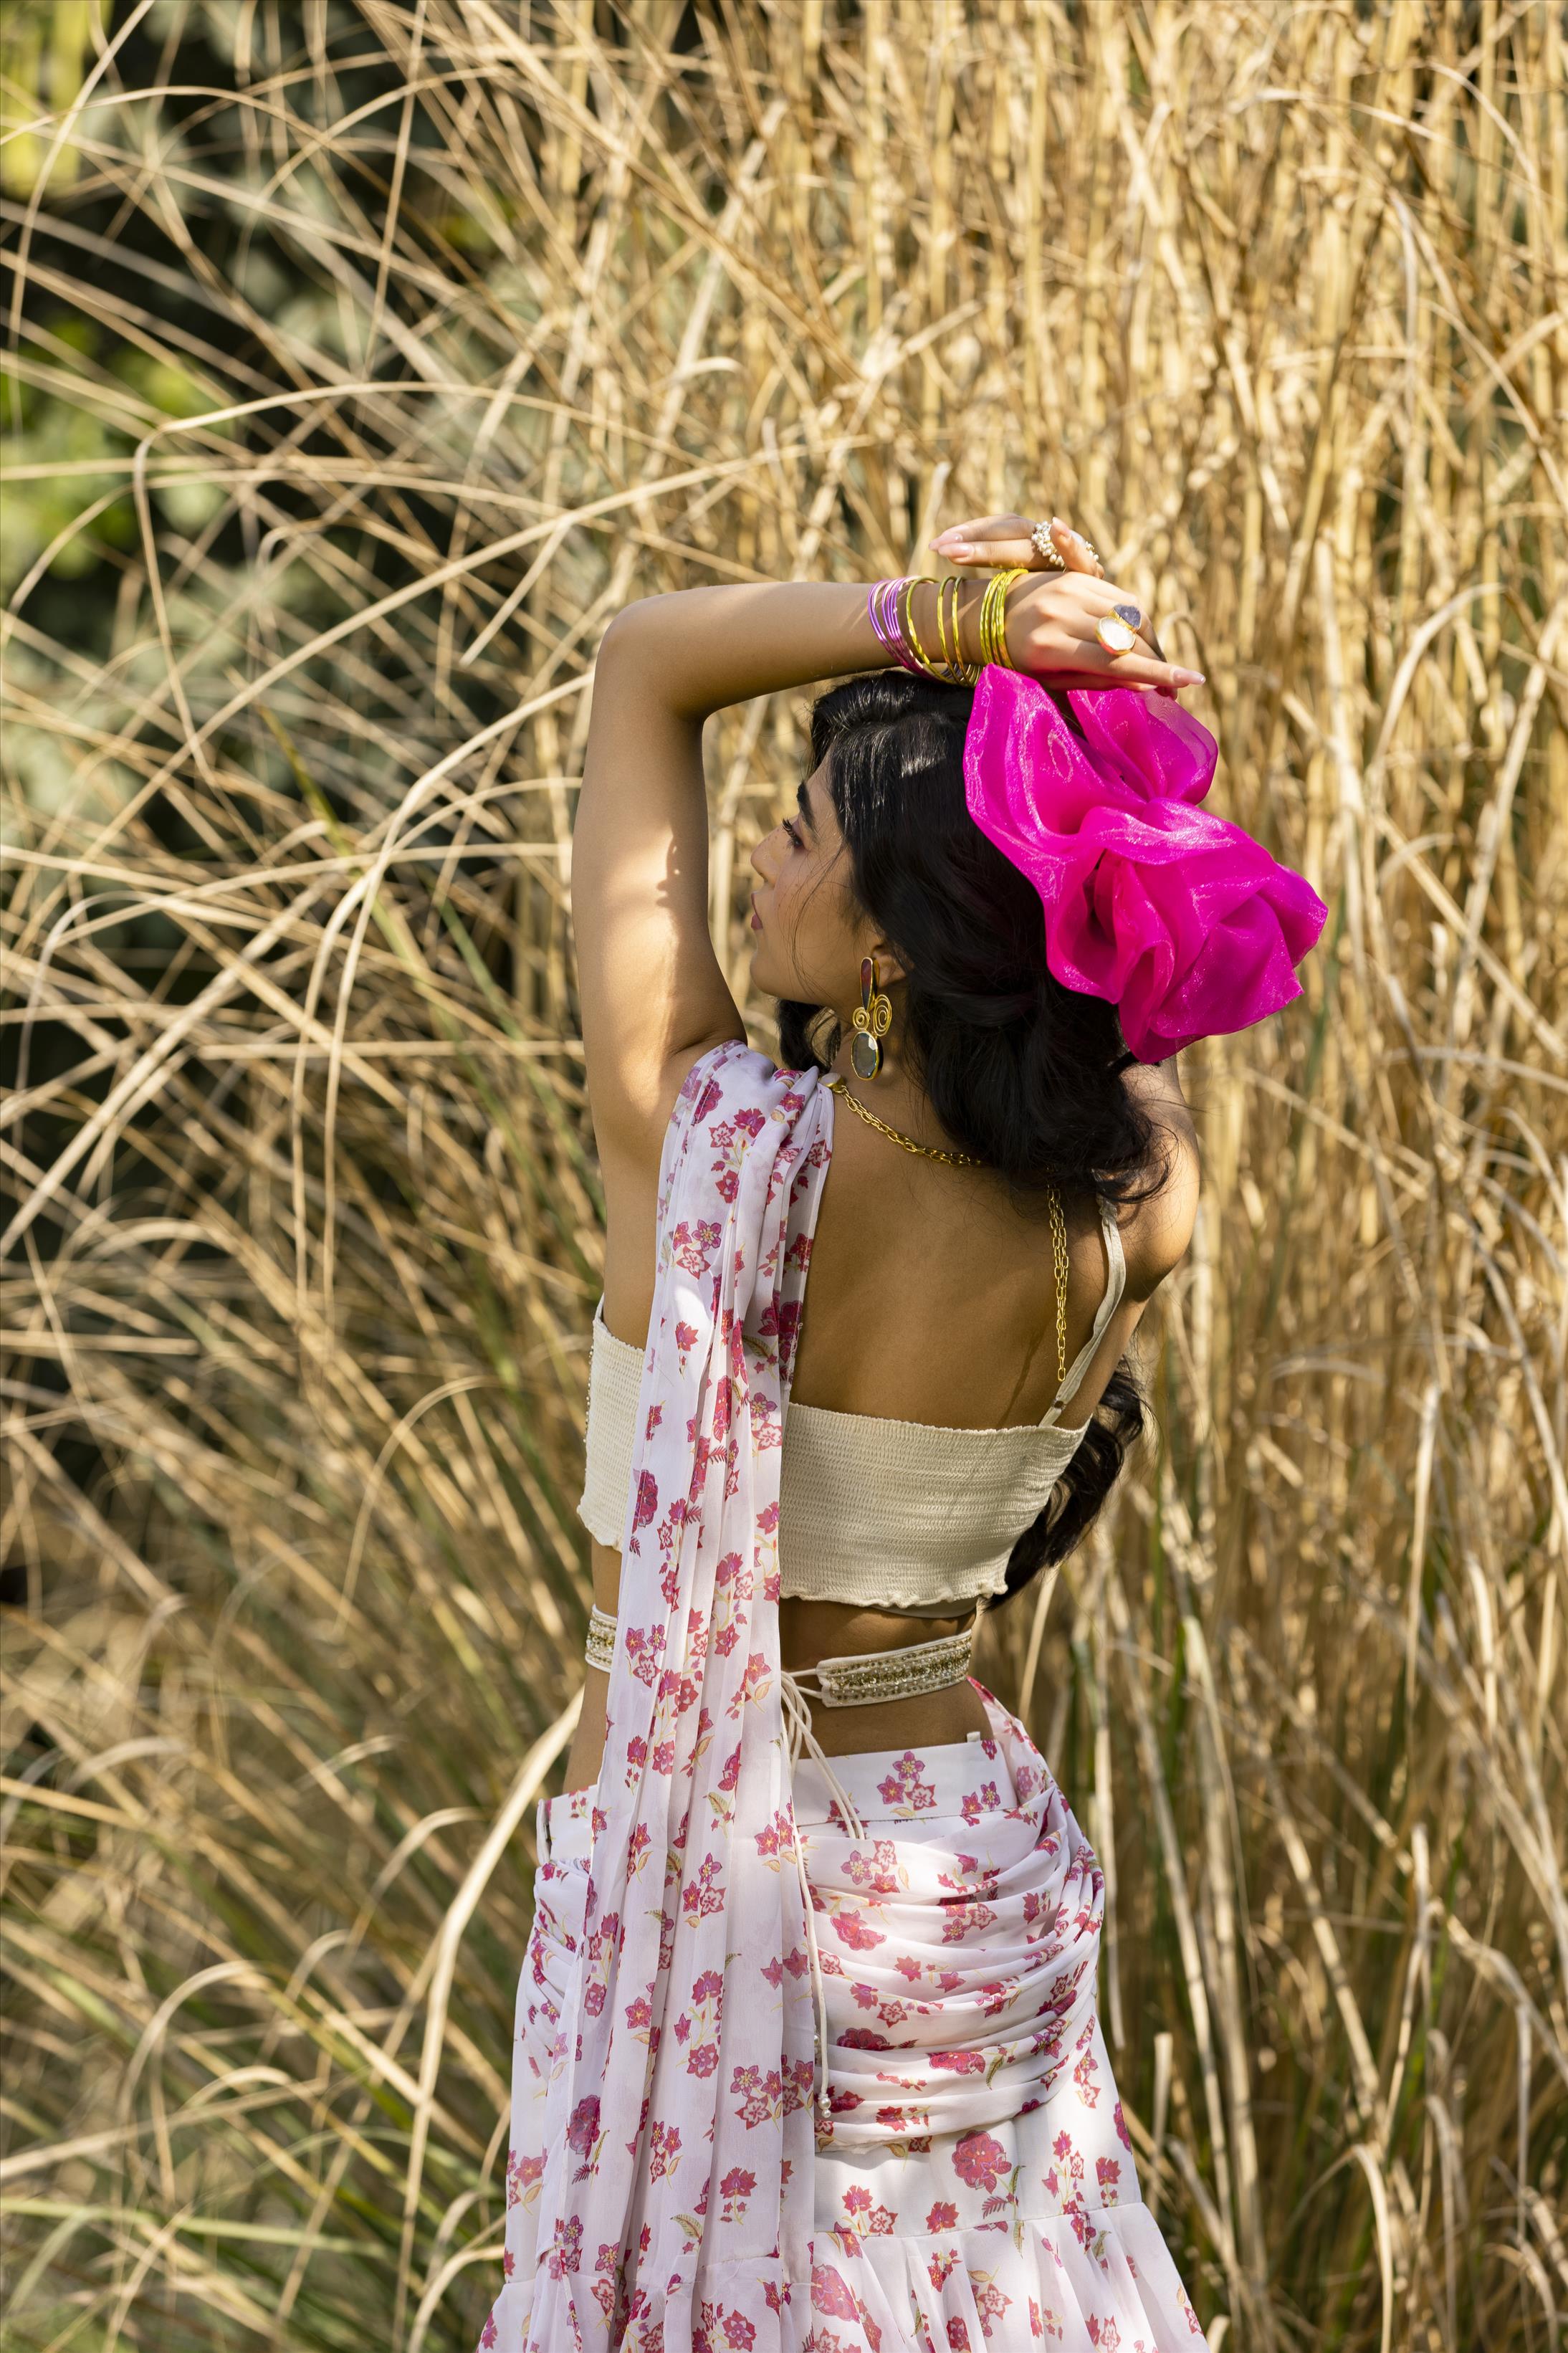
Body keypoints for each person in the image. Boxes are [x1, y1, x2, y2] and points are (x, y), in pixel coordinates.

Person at [479, 513, 1326, 2352]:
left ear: (891, 929)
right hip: (950, 1857)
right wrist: (1015, 710)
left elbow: (643, 657)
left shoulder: (691, 1141)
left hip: (743, 1897)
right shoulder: (1132, 1202)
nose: (767, 848)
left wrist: (932, 618)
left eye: (806, 825)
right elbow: (1088, 976)